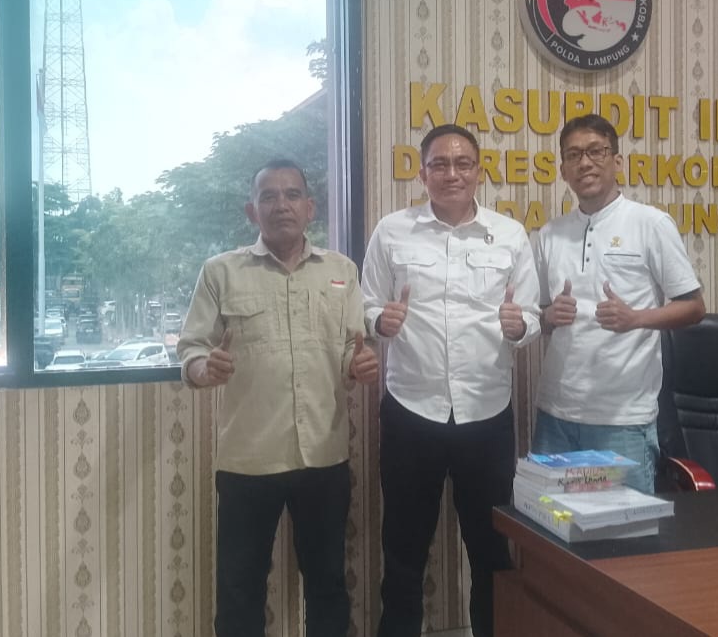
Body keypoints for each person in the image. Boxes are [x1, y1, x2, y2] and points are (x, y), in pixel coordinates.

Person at [177, 159, 378, 637]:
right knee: (240, 589)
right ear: (252, 210)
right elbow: (191, 349)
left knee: (328, 584)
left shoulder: (341, 271)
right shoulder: (220, 272)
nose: (281, 205)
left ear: (310, 207)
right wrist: (205, 368)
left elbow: (351, 349)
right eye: (268, 196)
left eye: (291, 195)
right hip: (249, 459)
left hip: (324, 456)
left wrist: (358, 366)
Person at [361, 124, 540, 637]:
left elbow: (531, 314)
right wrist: (379, 321)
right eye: (439, 164)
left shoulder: (509, 234)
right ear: (422, 174)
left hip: (486, 413)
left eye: (463, 163)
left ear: (479, 171)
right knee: (403, 550)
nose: (451, 173)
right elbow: (366, 303)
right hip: (410, 411)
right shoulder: (392, 231)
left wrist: (520, 326)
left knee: (490, 549)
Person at [532, 114, 705, 493]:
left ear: (617, 161)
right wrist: (548, 316)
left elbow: (694, 307)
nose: (585, 163)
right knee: (550, 522)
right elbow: (539, 318)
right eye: (574, 155)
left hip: (622, 418)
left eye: (596, 151)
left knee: (623, 527)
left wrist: (635, 318)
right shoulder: (549, 235)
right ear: (563, 170)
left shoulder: (650, 224)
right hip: (555, 414)